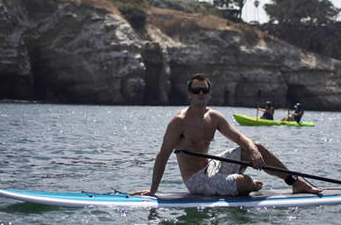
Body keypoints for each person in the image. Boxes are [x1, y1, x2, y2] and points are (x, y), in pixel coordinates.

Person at [132, 73, 322, 197]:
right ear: (189, 94)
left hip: (213, 166)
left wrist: (253, 151)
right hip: (197, 181)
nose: (200, 93)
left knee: (256, 147)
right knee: (246, 183)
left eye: (204, 90)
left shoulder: (214, 117)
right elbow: (163, 155)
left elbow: (239, 137)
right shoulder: (179, 122)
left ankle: (294, 182)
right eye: (195, 90)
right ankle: (245, 184)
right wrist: (153, 191)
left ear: (209, 93)